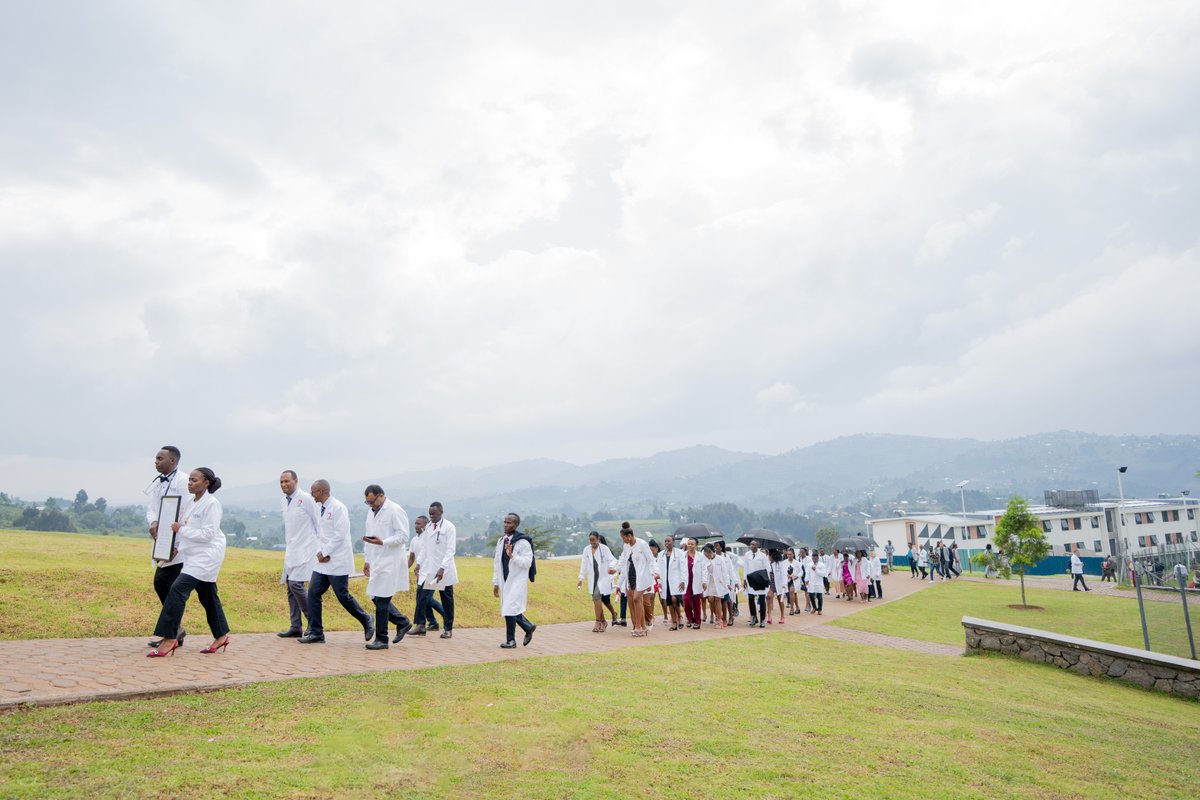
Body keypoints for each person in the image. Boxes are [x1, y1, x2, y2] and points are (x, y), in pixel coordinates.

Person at [147, 468, 230, 657]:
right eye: (189, 480)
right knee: (207, 595)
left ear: (206, 483)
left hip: (207, 556)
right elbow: (186, 528)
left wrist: (181, 531)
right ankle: (221, 635)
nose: (189, 483)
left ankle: (170, 638)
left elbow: (208, 534)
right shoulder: (191, 502)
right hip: (192, 554)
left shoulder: (212, 504)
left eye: (194, 480)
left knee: (177, 590)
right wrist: (176, 547)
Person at [299, 481, 375, 644]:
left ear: (322, 491)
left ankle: (367, 618)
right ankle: (316, 632)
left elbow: (340, 535)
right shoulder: (319, 509)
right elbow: (318, 533)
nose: (311, 495)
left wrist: (325, 552)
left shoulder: (338, 508)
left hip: (337, 560)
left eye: (313, 492)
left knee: (342, 595)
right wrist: (320, 552)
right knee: (313, 593)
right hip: (322, 561)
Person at [146, 445, 188, 649]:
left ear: (173, 461)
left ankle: (173, 632)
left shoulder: (183, 481)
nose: (155, 461)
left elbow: (185, 513)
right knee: (164, 585)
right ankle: (175, 630)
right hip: (161, 541)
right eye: (155, 458)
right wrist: (153, 522)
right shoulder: (157, 482)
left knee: (165, 584)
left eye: (159, 458)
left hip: (177, 544)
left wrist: (177, 544)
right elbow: (152, 508)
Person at [361, 485, 413, 650]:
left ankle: (382, 639)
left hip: (391, 561)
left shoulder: (395, 510)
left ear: (381, 496)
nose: (371, 505)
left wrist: (383, 541)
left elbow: (403, 536)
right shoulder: (371, 512)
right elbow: (369, 538)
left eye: (372, 501)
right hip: (377, 561)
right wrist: (367, 560)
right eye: (367, 502)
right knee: (375, 597)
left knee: (382, 600)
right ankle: (402, 622)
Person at [277, 470, 319, 638]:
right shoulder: (283, 501)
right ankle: (296, 626)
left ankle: (314, 622)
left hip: (307, 548)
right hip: (292, 549)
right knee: (290, 586)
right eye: (281, 482)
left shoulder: (306, 499)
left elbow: (318, 523)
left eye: (287, 481)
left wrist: (320, 548)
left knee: (296, 585)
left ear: (296, 481)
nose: (284, 484)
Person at [493, 512, 536, 648]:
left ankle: (511, 640)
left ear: (516, 525)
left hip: (517, 581)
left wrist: (513, 556)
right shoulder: (501, 541)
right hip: (504, 580)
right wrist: (495, 582)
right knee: (509, 608)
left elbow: (527, 562)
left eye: (509, 523)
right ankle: (528, 626)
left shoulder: (522, 542)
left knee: (509, 609)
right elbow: (496, 563)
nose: (506, 525)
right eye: (505, 522)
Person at [419, 501, 458, 639]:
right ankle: (420, 625)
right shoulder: (428, 527)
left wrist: (442, 568)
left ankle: (448, 628)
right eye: (430, 513)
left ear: (441, 513)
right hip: (430, 568)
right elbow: (424, 547)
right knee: (423, 596)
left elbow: (450, 550)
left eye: (434, 514)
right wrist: (418, 563)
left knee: (447, 600)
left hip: (444, 570)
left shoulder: (449, 527)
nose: (431, 516)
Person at [613, 522, 655, 637]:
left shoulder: (642, 544)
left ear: (629, 536)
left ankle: (638, 626)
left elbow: (651, 559)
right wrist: (617, 574)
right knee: (635, 602)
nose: (623, 540)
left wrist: (653, 576)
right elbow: (623, 561)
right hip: (630, 576)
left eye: (623, 538)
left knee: (637, 598)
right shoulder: (626, 546)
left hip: (642, 576)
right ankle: (642, 627)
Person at [409, 515, 443, 634]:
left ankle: (423, 624)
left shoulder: (429, 537)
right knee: (422, 599)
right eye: (415, 523)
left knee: (425, 598)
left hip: (431, 572)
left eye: (419, 524)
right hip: (421, 574)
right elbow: (412, 558)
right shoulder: (414, 540)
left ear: (426, 525)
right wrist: (404, 569)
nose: (416, 526)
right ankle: (432, 623)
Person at [578, 531, 618, 631]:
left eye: (594, 540)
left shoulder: (604, 549)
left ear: (598, 539)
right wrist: (581, 578)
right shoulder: (586, 550)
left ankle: (598, 622)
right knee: (597, 600)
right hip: (593, 579)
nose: (592, 543)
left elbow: (613, 560)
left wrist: (611, 567)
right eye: (590, 540)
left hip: (603, 578)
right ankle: (602, 621)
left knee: (598, 599)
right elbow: (583, 564)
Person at [656, 534, 687, 631]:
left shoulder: (679, 553)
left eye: (668, 541)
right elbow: (659, 569)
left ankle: (679, 617)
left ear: (673, 542)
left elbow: (683, 568)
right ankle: (674, 622)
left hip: (676, 581)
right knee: (669, 602)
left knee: (675, 599)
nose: (666, 543)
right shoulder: (661, 554)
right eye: (665, 541)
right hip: (665, 581)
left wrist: (683, 580)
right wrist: (659, 581)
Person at [741, 540, 769, 628]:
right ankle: (753, 617)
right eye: (751, 544)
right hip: (750, 579)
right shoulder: (747, 555)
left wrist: (765, 579)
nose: (751, 546)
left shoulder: (762, 556)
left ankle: (762, 619)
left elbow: (767, 568)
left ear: (757, 545)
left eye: (753, 544)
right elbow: (745, 567)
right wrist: (745, 579)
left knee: (761, 599)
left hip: (760, 579)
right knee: (750, 598)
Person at [701, 545, 727, 628]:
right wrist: (703, 582)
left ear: (712, 552)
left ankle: (719, 620)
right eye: (705, 554)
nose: (707, 555)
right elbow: (704, 572)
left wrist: (726, 583)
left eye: (708, 553)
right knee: (711, 599)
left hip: (719, 582)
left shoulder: (720, 559)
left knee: (717, 599)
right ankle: (717, 615)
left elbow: (724, 572)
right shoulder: (704, 560)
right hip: (709, 582)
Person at [683, 538, 703, 629]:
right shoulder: (683, 556)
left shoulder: (700, 556)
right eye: (689, 544)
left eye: (692, 544)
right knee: (686, 600)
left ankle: (697, 621)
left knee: (696, 602)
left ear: (696, 545)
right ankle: (689, 618)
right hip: (686, 582)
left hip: (697, 581)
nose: (690, 546)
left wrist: (704, 581)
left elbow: (704, 569)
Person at [767, 549, 786, 624]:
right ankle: (769, 616)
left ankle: (782, 616)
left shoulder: (780, 564)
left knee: (780, 600)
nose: (768, 557)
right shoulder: (768, 563)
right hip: (770, 583)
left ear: (772, 555)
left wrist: (784, 584)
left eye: (769, 555)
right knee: (768, 597)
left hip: (779, 583)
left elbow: (784, 574)